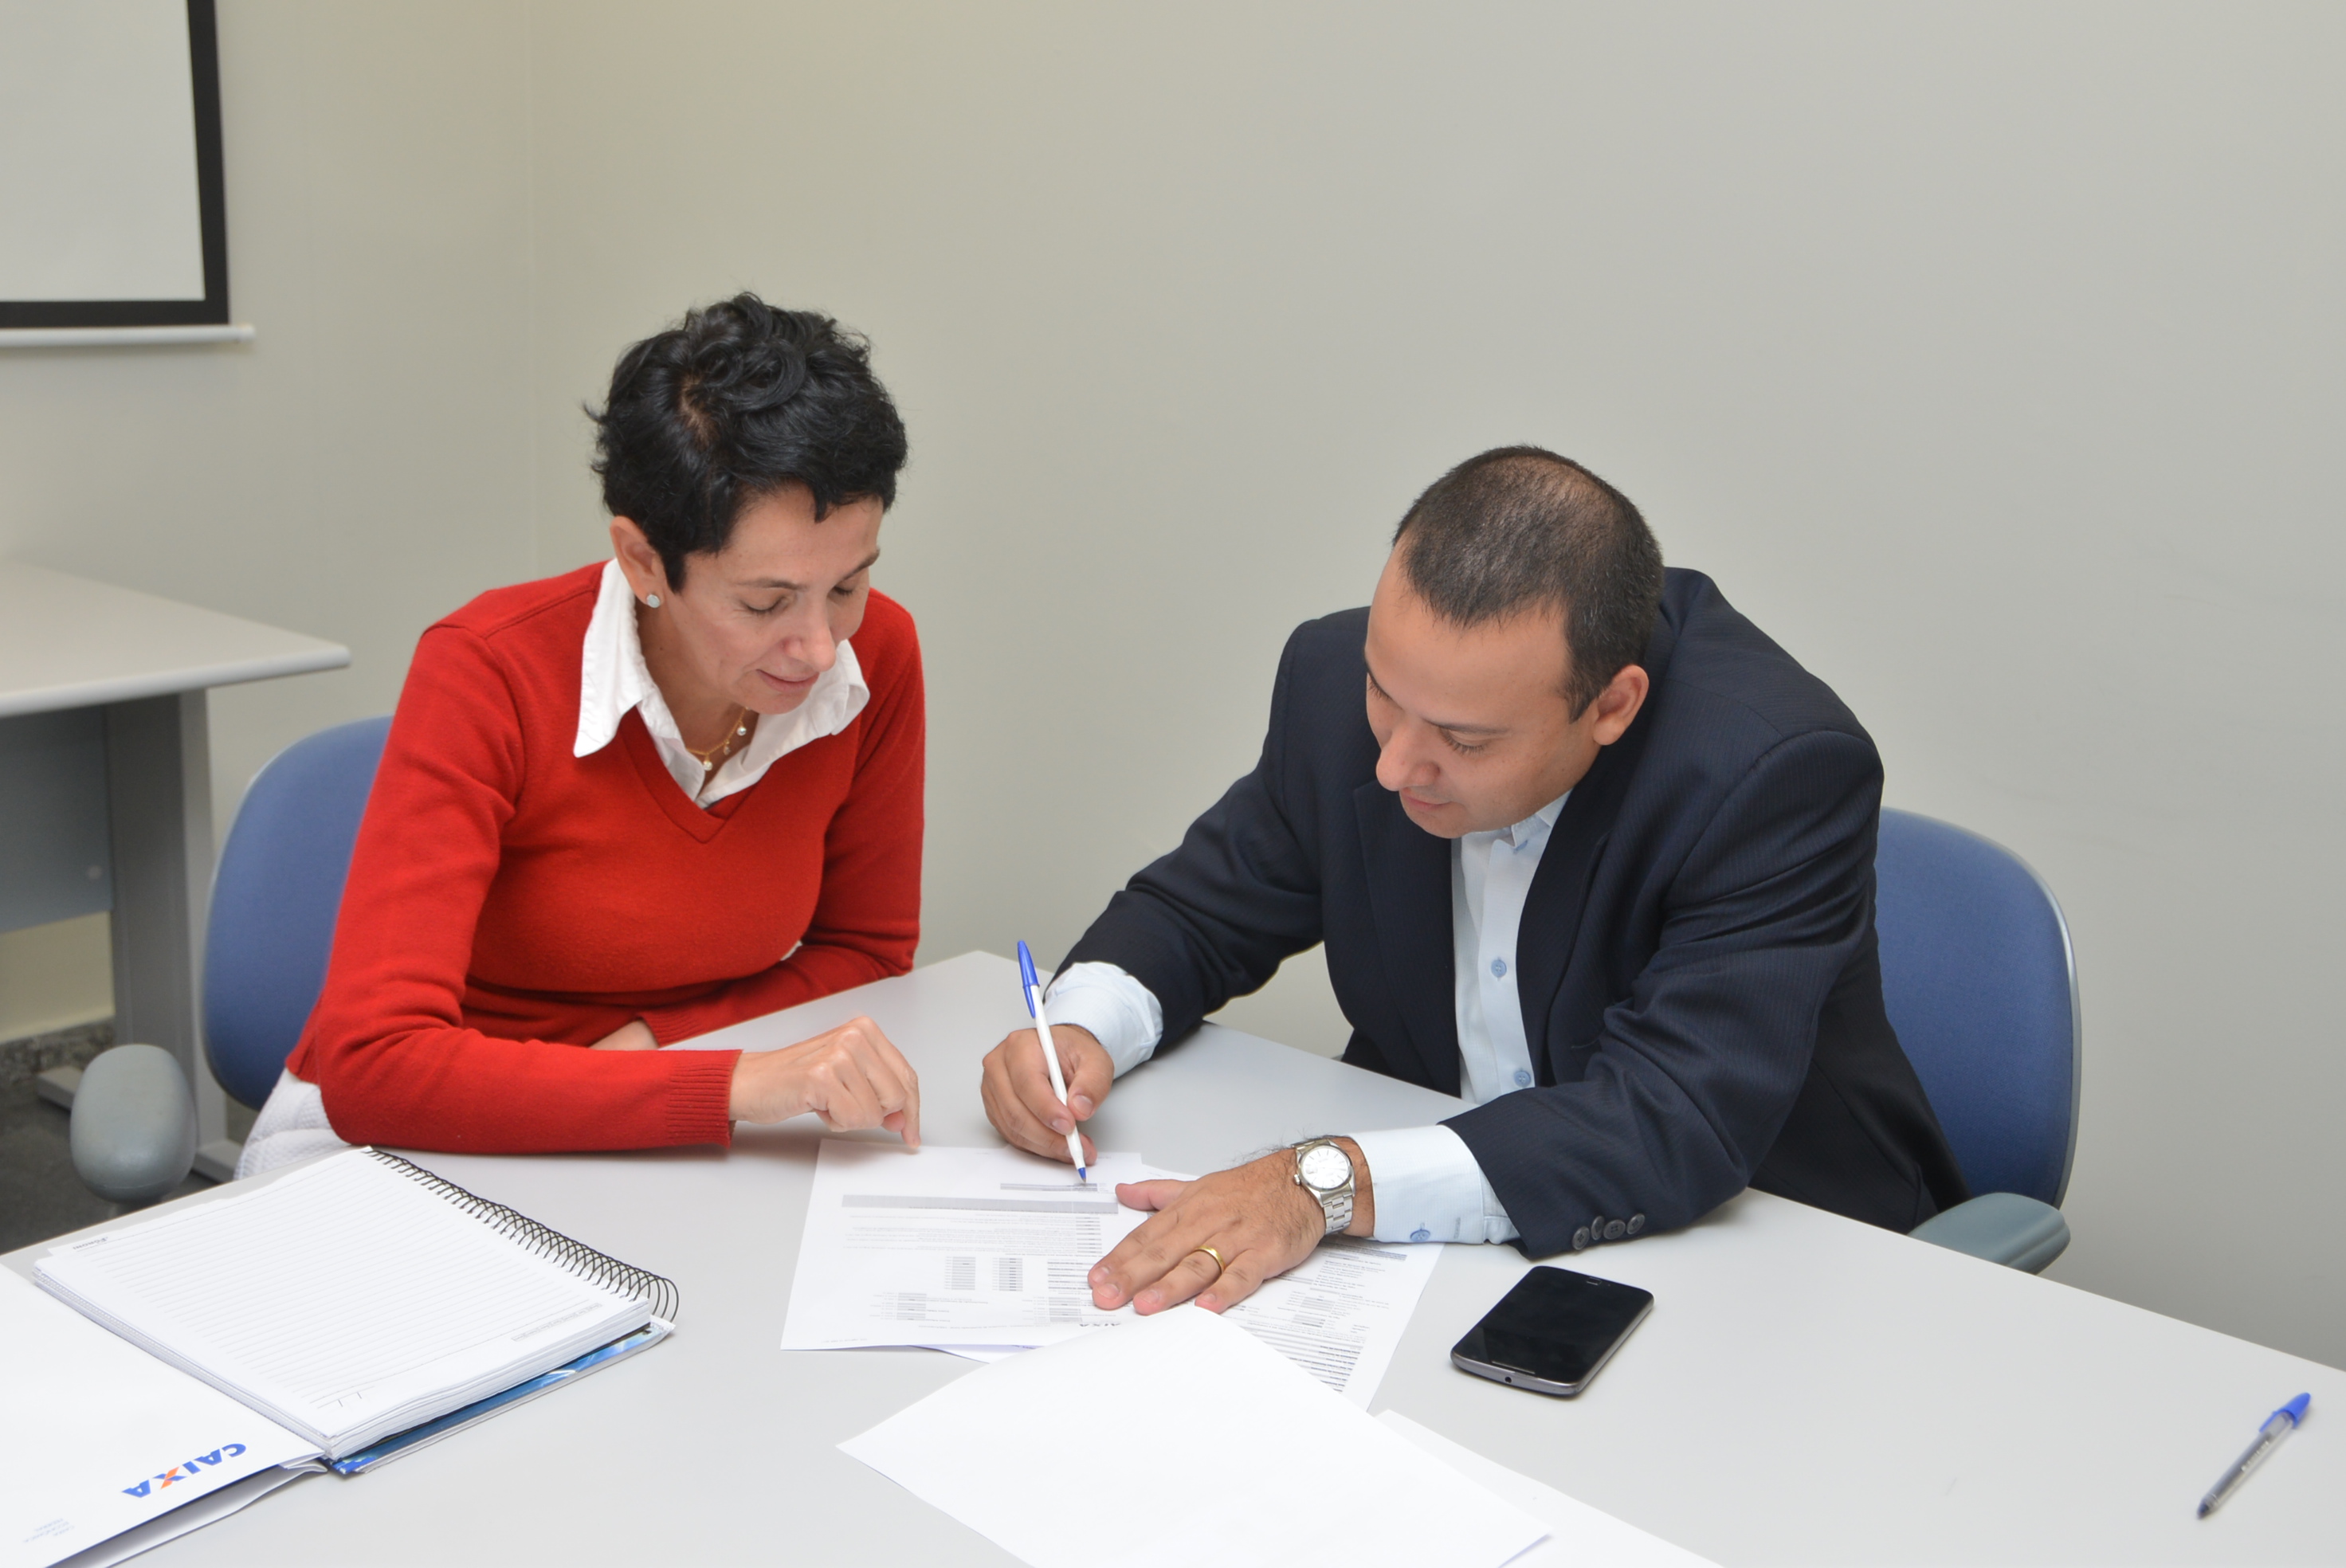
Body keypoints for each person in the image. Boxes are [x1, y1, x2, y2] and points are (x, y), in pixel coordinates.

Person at [980, 446, 1968, 1315]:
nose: (1393, 767)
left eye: (1463, 741)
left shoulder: (1770, 773)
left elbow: (1670, 1115)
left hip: (1767, 1255)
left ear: (1611, 706)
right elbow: (1201, 910)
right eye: (1383, 695)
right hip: (1436, 1244)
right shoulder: (1336, 681)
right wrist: (1080, 1029)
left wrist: (1320, 1182)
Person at [238, 295, 926, 1174]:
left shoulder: (877, 656)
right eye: (765, 603)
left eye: (848, 586)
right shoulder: (487, 669)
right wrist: (727, 1083)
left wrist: (656, 1041)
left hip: (662, 1116)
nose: (821, 648)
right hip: (427, 1130)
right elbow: (375, 1067)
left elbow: (867, 953)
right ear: (643, 561)